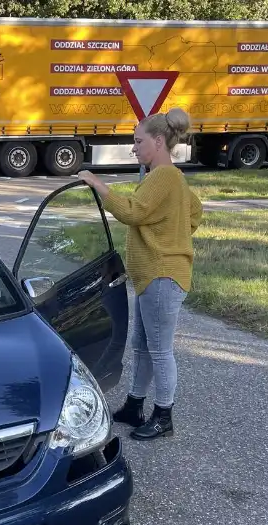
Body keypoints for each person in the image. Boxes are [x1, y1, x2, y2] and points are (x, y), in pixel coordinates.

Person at [76, 107, 203, 441]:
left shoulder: (163, 176)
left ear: (158, 141)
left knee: (159, 350)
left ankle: (164, 416)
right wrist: (173, 232)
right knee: (143, 345)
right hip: (157, 276)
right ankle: (134, 405)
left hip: (162, 275)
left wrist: (99, 186)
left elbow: (133, 211)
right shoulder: (171, 177)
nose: (134, 148)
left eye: (138, 141)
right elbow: (195, 213)